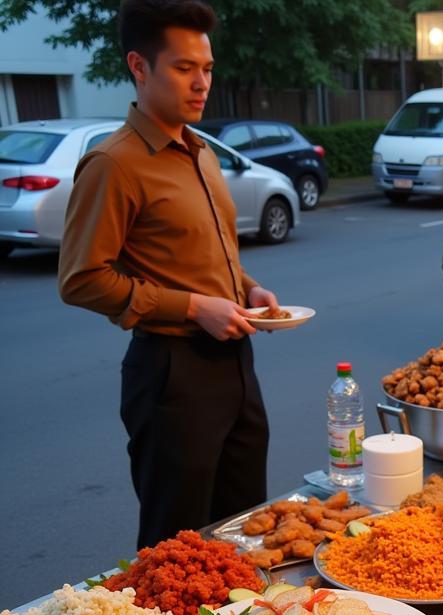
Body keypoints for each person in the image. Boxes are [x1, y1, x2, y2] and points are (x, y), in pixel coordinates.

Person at [58, 0, 279, 550]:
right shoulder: (115, 163)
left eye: (206, 68)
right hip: (172, 372)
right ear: (139, 66)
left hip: (236, 363)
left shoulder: (199, 151)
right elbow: (81, 278)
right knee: (176, 544)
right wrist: (192, 307)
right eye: (184, 68)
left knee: (245, 529)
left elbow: (205, 253)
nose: (201, 82)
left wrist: (246, 287)